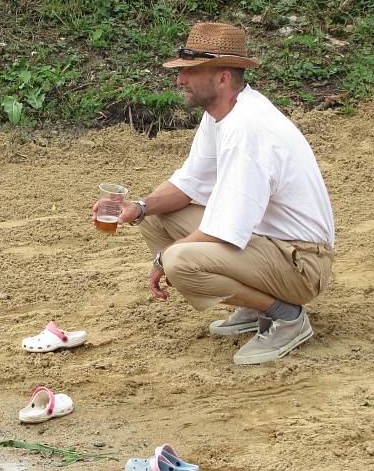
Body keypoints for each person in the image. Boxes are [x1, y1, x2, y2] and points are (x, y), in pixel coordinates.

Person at [105, 22, 335, 365]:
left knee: (179, 261)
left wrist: (164, 258)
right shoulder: (223, 115)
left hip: (300, 263)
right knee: (155, 217)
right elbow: (188, 185)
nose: (179, 80)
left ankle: (286, 315)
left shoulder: (247, 129)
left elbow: (223, 230)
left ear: (223, 78)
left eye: (190, 72)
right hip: (270, 244)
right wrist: (136, 208)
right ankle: (253, 301)